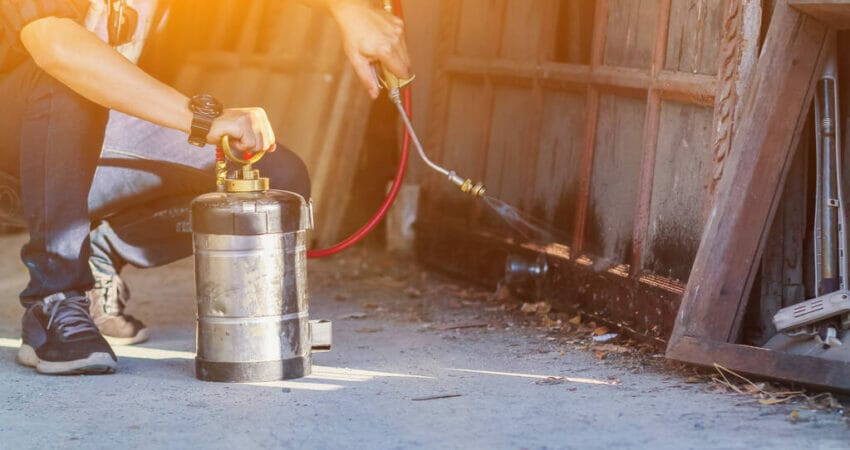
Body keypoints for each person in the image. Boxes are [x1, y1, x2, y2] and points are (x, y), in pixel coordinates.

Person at [0, 0, 411, 375]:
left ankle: (103, 254)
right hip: (16, 145)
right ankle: (52, 300)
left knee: (275, 175)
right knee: (70, 67)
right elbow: (56, 46)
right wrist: (201, 121)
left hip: (80, 144)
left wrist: (349, 12)